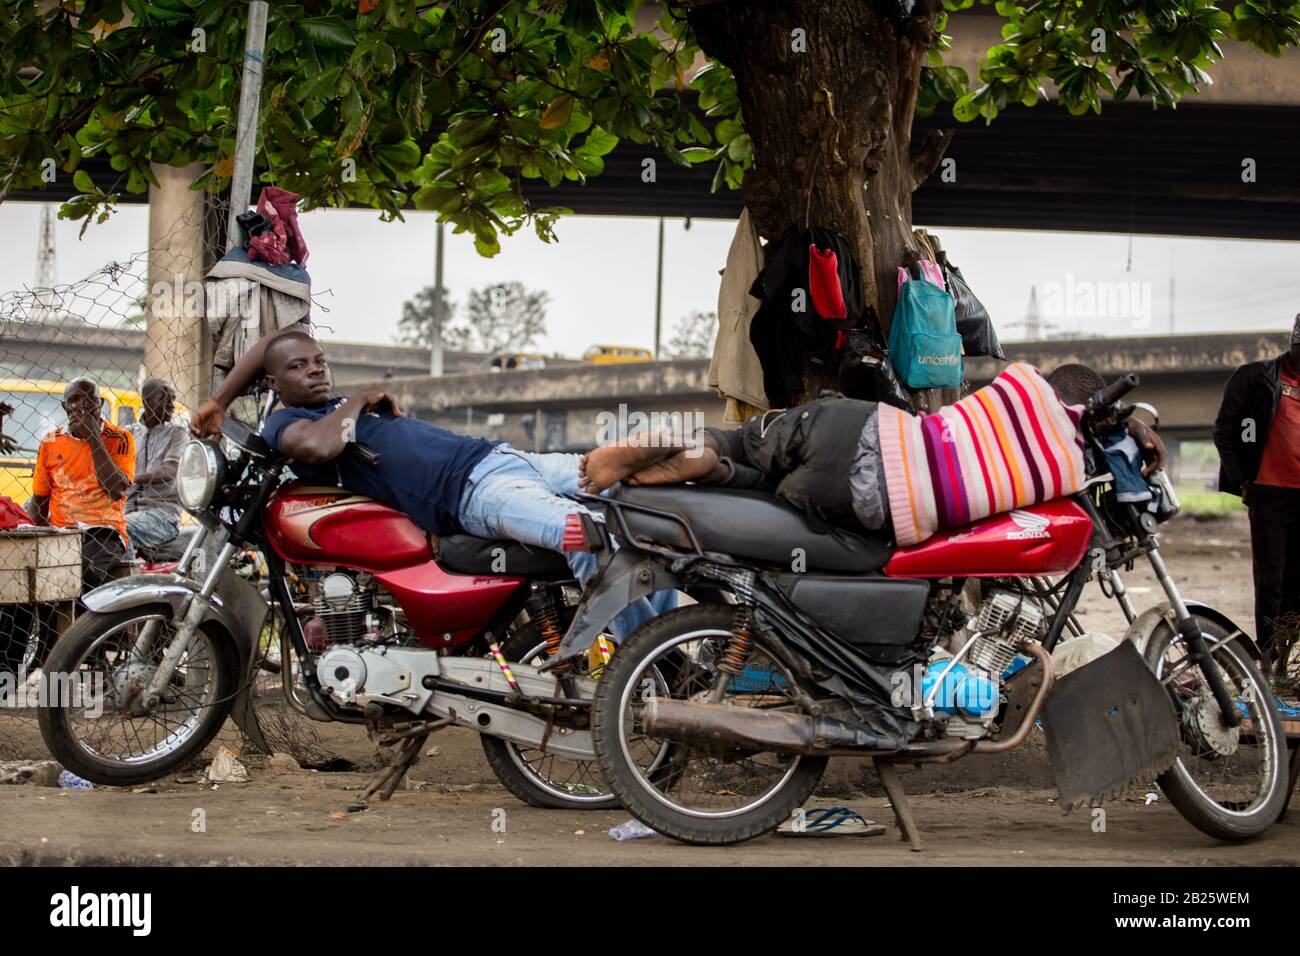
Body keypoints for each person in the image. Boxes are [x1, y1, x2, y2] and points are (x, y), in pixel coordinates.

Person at [189, 330, 673, 638]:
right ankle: (649, 662)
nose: (315, 368)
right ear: (274, 384)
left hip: (507, 458)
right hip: (475, 493)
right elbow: (316, 448)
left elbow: (271, 344)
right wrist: (359, 400)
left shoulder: (331, 405)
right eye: (299, 366)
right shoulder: (289, 423)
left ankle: (678, 634)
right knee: (586, 534)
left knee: (649, 509)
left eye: (318, 360)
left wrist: (218, 401)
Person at [581, 362, 1166, 548]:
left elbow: (1066, 400)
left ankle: (692, 449)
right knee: (776, 491)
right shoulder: (1062, 471)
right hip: (878, 508)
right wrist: (1136, 426)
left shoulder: (1022, 389)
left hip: (861, 433)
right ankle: (720, 471)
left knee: (742, 441)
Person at [1213, 314, 1300, 682]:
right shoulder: (1256, 377)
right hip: (1269, 495)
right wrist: (1242, 480)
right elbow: (1226, 430)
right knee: (1271, 581)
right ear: (1294, 345)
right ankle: (1266, 660)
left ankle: (1283, 659)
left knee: (1297, 587)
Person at [27, 378, 135, 590]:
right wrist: (30, 537)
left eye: (90, 399)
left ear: (100, 404)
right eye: (74, 400)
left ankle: (85, 613)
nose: (82, 405)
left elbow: (116, 490)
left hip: (103, 531)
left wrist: (93, 436)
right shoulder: (50, 441)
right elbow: (40, 500)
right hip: (61, 531)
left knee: (84, 572)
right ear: (65, 406)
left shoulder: (120, 438)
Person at [125, 378, 187, 557]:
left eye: (173, 399)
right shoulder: (129, 433)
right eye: (165, 399)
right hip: (126, 509)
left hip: (162, 514)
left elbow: (169, 471)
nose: (172, 405)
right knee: (98, 527)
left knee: (120, 527)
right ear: (147, 401)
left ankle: (127, 573)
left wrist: (131, 478)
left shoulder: (177, 434)